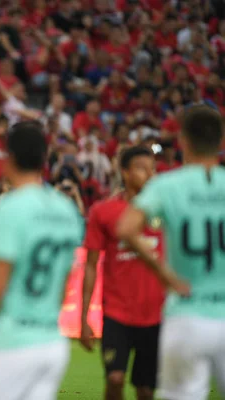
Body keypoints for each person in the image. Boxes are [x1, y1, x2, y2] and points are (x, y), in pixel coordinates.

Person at [0, 121, 83, 400]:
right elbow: (65, 280)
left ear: (8, 158)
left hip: (13, 343)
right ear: (43, 160)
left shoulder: (8, 206)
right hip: (52, 343)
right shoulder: (67, 209)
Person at [117, 105, 224, 400]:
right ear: (221, 141)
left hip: (187, 313)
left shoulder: (168, 185)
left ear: (183, 141)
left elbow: (126, 228)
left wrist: (163, 273)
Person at [80, 146, 165, 400]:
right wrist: (83, 318)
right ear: (124, 172)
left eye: (153, 169)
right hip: (116, 313)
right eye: (141, 168)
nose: (149, 174)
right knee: (115, 380)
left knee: (145, 390)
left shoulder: (166, 210)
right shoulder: (104, 211)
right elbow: (90, 265)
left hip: (156, 314)